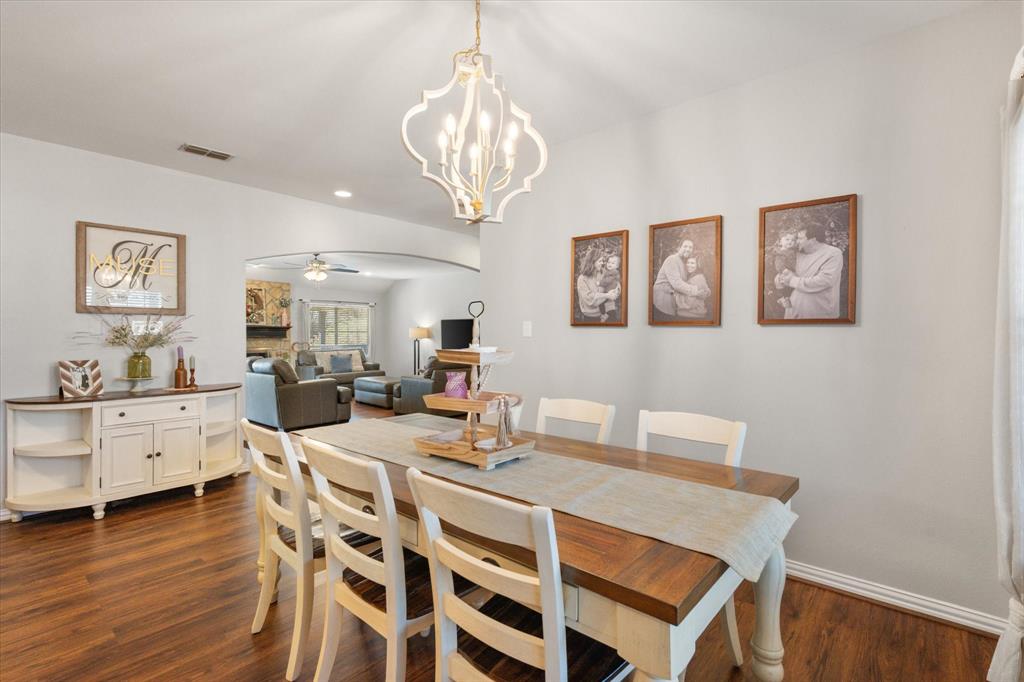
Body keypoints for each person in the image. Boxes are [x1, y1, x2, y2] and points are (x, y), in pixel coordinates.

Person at [775, 222, 844, 319]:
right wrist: (780, 280)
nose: (796, 241)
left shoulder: (833, 253)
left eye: (800, 238)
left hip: (820, 315)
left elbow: (825, 281)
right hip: (793, 313)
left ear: (813, 240)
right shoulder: (796, 253)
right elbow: (785, 273)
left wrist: (791, 280)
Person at [653, 239, 702, 317]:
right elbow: (677, 284)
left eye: (690, 247)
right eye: (685, 246)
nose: (688, 249)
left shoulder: (685, 263)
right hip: (663, 300)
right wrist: (696, 290)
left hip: (673, 300)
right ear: (679, 248)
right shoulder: (672, 259)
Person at [576, 248, 620, 322]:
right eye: (600, 261)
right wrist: (607, 295)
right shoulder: (582, 279)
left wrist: (616, 292)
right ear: (592, 262)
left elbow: (616, 285)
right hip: (591, 317)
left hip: (609, 312)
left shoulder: (604, 272)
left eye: (603, 261)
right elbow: (589, 299)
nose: (602, 263)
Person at [598, 252, 622, 322]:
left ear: (617, 266)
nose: (610, 264)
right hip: (607, 292)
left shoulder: (613, 272)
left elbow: (608, 280)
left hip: (609, 291)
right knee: (602, 303)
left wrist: (600, 283)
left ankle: (604, 314)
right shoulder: (608, 271)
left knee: (601, 303)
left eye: (613, 263)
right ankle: (604, 314)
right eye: (608, 262)